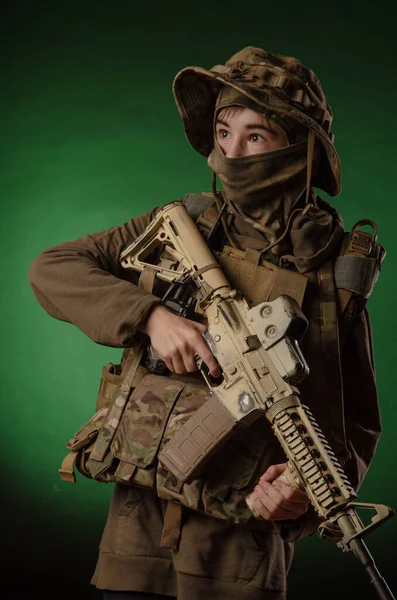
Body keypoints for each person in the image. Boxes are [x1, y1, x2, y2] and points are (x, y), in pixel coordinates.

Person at [28, 46, 382, 600]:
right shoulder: (183, 224)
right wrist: (150, 317)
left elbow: (353, 425)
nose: (231, 152)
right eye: (222, 131)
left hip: (240, 550)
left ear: (299, 148)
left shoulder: (332, 273)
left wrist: (298, 492)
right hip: (137, 531)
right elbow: (52, 269)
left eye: (256, 136)